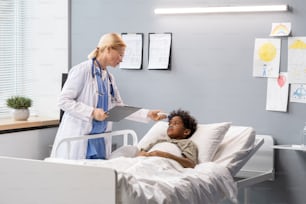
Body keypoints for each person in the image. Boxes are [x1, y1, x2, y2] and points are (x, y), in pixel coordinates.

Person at [50, 33, 166, 160]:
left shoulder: (109, 78)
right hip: (80, 138)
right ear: (109, 49)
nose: (121, 59)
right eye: (120, 55)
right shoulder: (82, 70)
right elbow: (63, 101)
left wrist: (147, 114)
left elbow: (119, 108)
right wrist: (92, 112)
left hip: (99, 139)